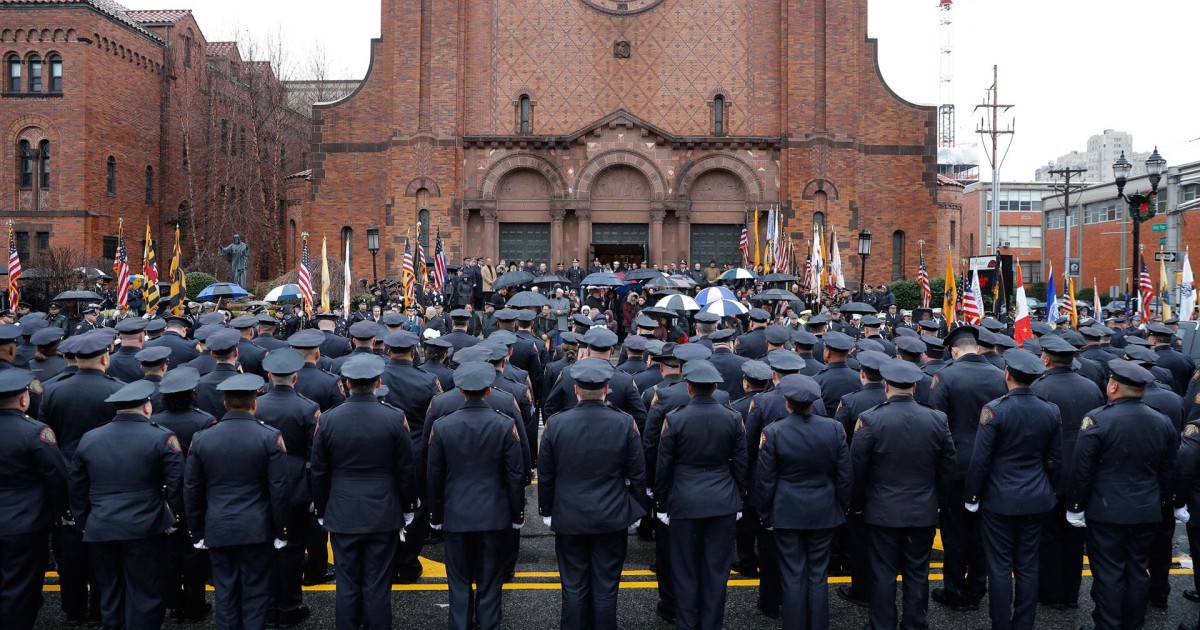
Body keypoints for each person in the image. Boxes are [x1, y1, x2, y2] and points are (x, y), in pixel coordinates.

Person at [1067, 359, 1178, 630]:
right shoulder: (1162, 421)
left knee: (1108, 573)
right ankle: (1133, 624)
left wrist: (1076, 506)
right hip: (1146, 510)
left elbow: (1082, 469)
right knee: (1137, 570)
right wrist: (1162, 502)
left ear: (1114, 386)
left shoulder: (1098, 419)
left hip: (1107, 512)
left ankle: (1108, 625)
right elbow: (1168, 470)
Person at [539, 359, 647, 630]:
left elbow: (546, 475)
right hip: (612, 514)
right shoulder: (624, 422)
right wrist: (635, 510)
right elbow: (637, 474)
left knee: (573, 585)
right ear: (606, 389)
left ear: (576, 390)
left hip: (569, 514)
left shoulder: (556, 423)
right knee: (606, 586)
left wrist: (547, 510)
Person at [69, 379, 185, 630]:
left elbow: (77, 485)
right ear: (147, 407)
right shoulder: (161, 437)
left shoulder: (90, 438)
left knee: (110, 590)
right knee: (146, 591)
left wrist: (84, 521)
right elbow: (177, 484)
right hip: (146, 525)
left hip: (101, 524)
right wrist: (173, 517)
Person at [311, 354, 416, 630]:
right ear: (378, 383)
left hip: (342, 510)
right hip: (383, 510)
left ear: (347, 385)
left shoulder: (328, 419)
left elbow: (319, 470)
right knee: (377, 584)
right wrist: (408, 507)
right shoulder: (394, 418)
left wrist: (321, 508)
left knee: (347, 584)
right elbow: (406, 470)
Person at [852, 360, 956, 630]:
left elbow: (858, 468)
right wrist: (939, 502)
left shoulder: (870, 419)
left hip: (882, 509)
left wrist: (858, 504)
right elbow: (947, 466)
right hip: (922, 509)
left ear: (886, 386)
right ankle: (915, 623)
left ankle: (882, 624)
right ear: (915, 388)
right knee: (917, 571)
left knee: (882, 572)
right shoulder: (937, 419)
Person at [963, 349, 1062, 630]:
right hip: (1036, 496)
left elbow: (980, 459)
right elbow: (1056, 459)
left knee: (999, 566)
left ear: (1007, 375)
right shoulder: (1050, 409)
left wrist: (972, 495)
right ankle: (1023, 623)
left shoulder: (995, 410)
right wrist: (1048, 489)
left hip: (999, 498)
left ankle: (1001, 624)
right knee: (1028, 565)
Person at [184, 373, 290, 630]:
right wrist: (281, 530)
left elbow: (192, 489)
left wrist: (197, 530)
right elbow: (279, 489)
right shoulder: (269, 437)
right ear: (255, 404)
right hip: (257, 527)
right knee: (255, 595)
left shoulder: (202, 438)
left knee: (226, 595)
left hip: (218, 525)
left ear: (225, 404)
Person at [427, 361, 525, 630]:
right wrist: (517, 513)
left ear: (460, 390)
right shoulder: (504, 425)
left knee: (458, 581)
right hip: (494, 514)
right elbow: (514, 475)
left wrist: (435, 515)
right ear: (488, 392)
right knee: (490, 581)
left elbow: (434, 475)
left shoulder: (443, 426)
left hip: (456, 513)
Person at [654, 360, 748, 630]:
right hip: (723, 500)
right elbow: (741, 464)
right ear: (715, 387)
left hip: (685, 500)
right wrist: (739, 496)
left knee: (685, 572)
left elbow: (664, 466)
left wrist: (661, 501)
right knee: (716, 573)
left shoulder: (675, 418)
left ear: (689, 388)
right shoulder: (733, 417)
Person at [40, 331, 125, 625]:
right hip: (107, 477)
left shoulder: (52, 390)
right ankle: (101, 610)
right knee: (105, 549)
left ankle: (73, 609)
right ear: (105, 358)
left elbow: (46, 437)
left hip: (65, 475)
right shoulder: (118, 389)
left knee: (69, 548)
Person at [755, 373, 851, 630]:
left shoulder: (773, 431)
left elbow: (765, 479)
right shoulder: (834, 428)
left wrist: (765, 512)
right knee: (818, 576)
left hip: (787, 511)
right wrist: (841, 507)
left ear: (787, 403)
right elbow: (844, 475)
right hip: (824, 510)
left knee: (792, 576)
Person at [928, 325, 1006, 611]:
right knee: (982, 530)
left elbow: (937, 423)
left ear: (954, 351)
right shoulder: (1000, 375)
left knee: (954, 531)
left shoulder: (945, 376)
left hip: (955, 464)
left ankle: (954, 589)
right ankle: (976, 587)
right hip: (991, 464)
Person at [1030, 334, 1106, 611]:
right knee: (1074, 535)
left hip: (1050, 469)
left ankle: (1050, 593)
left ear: (1046, 359)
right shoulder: (1090, 387)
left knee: (1048, 533)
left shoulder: (1039, 387)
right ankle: (1070, 594)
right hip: (1083, 468)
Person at [255, 349, 320, 627]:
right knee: (293, 550)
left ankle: (269, 605)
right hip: (296, 485)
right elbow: (315, 455)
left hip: (261, 484)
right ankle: (289, 606)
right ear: (295, 378)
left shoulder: (257, 404)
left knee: (266, 549)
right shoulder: (308, 408)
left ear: (269, 376)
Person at [0, 369, 68, 629]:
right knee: (20, 589)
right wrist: (61, 512)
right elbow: (56, 477)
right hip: (25, 522)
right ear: (23, 399)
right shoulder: (35, 432)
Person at [150, 367, 214, 623]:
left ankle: (175, 605)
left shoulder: (155, 421)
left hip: (163, 494)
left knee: (168, 553)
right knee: (193, 550)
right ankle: (195, 606)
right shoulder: (205, 420)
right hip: (196, 493)